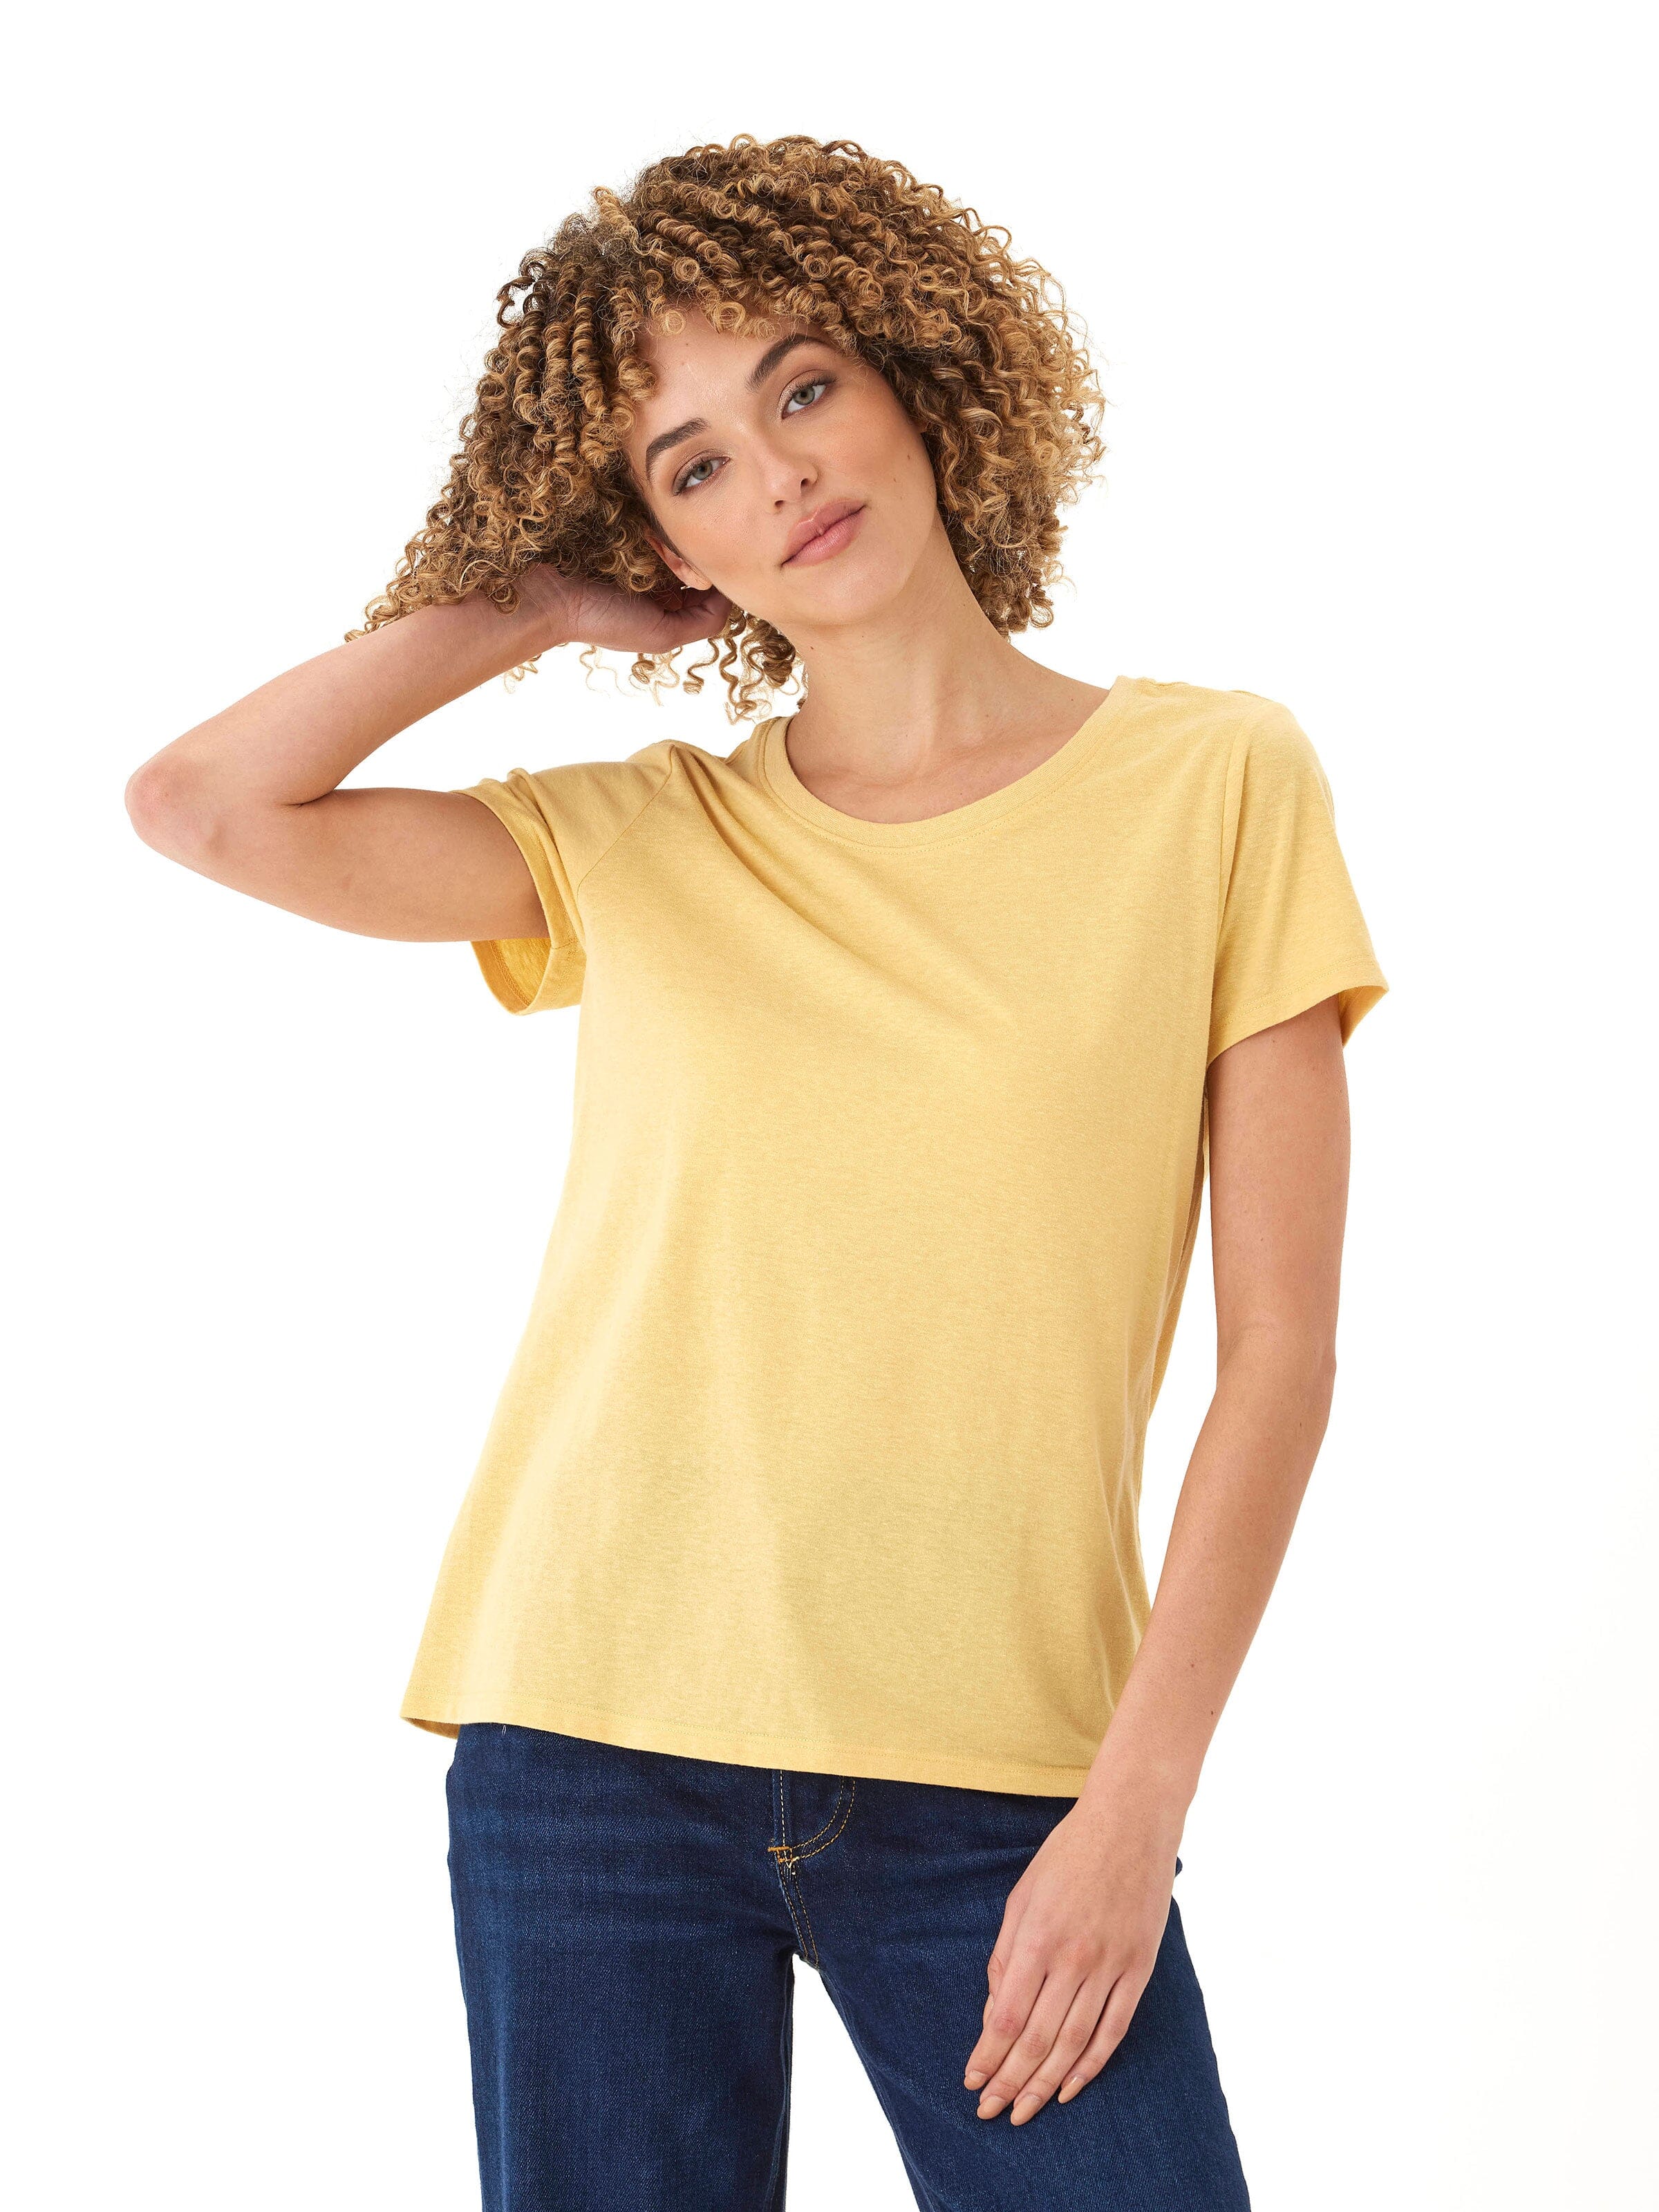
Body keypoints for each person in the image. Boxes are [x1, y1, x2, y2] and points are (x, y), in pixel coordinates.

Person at [125, 133, 1387, 2211]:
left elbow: (1283, 1357)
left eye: (803, 387)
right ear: (666, 540)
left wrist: (1138, 1807)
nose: (780, 472)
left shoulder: (1216, 779)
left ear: (912, 373)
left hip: (1007, 1772)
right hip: (593, 1745)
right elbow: (201, 806)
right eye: (694, 463)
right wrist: (535, 597)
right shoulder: (646, 835)